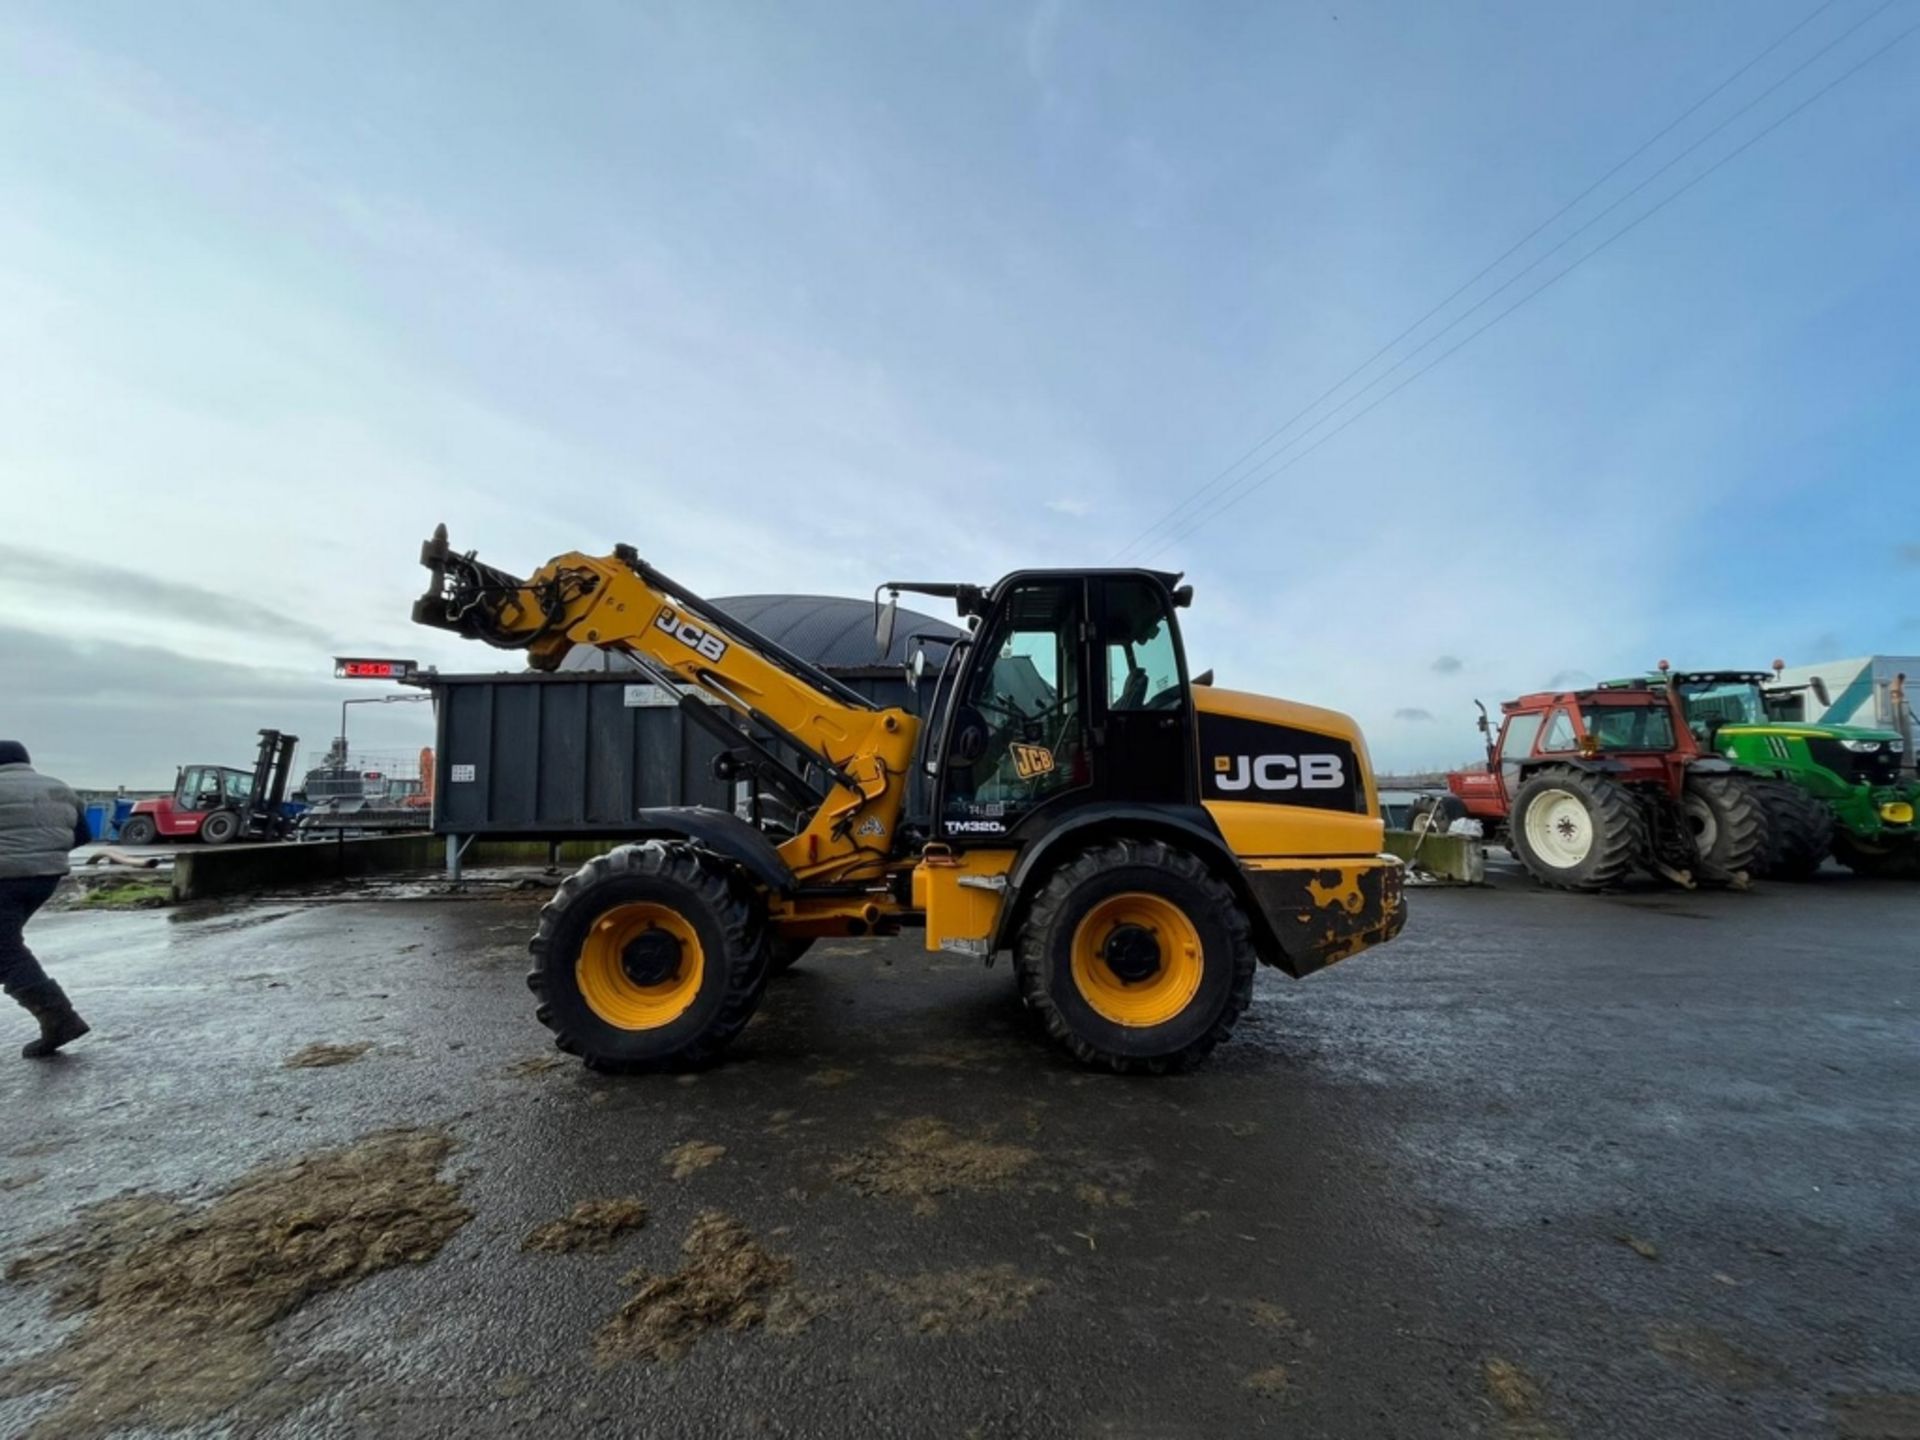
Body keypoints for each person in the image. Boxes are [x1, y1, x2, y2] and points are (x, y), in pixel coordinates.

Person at [0, 741, 92, 1058]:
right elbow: (84, 835)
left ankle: (59, 1019)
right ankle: (57, 1018)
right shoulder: (60, 788)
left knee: (5, 951)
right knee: (5, 946)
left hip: (4, 878)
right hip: (44, 879)